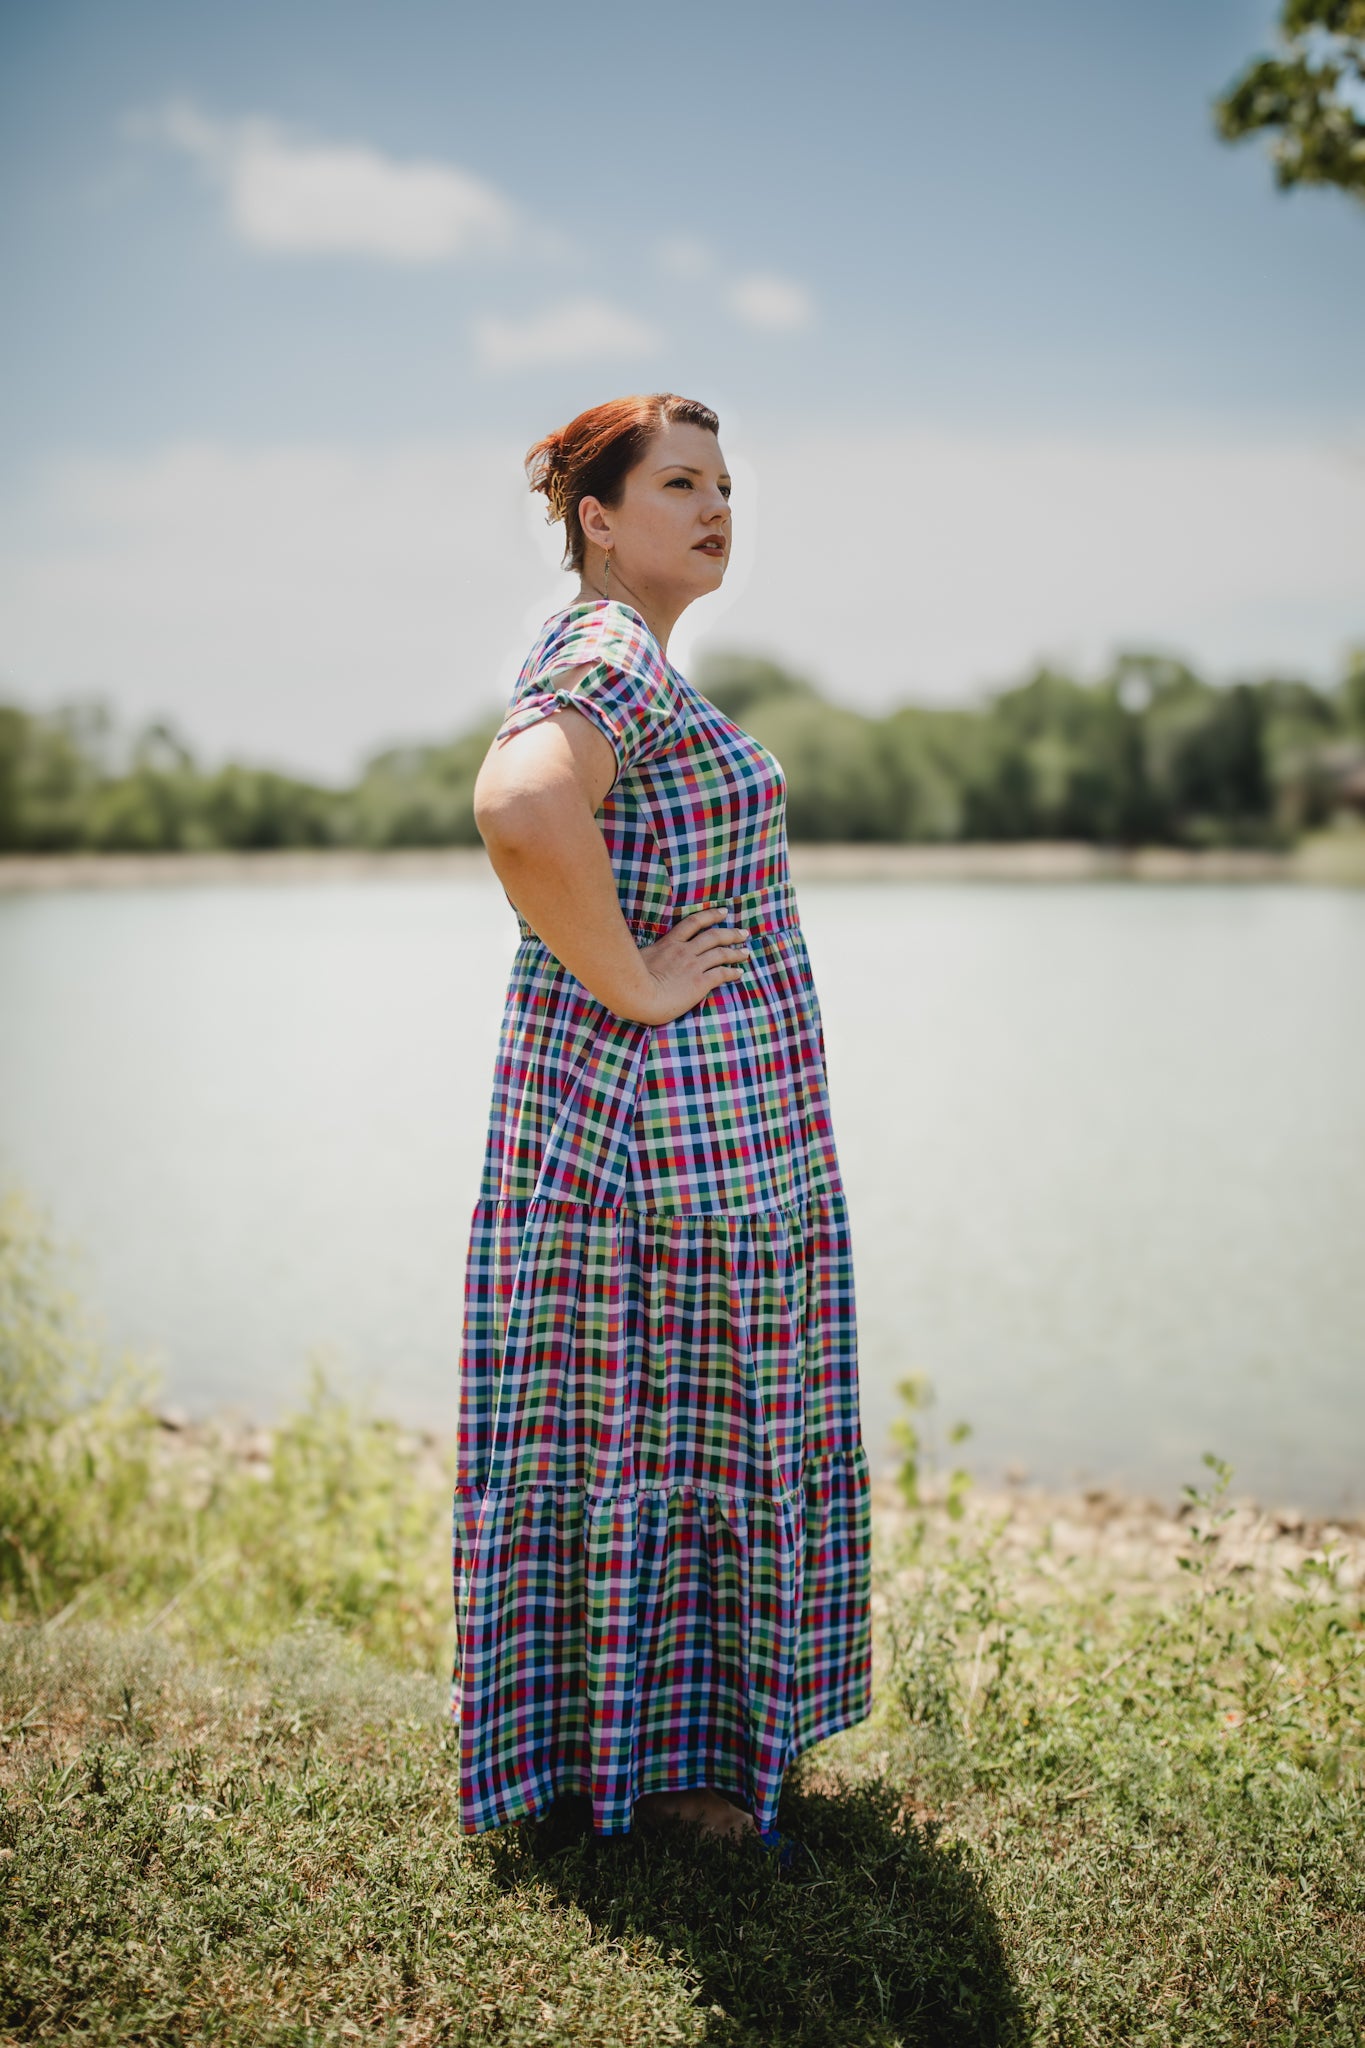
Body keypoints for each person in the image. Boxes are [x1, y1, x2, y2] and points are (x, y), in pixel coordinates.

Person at [451, 391, 872, 1849]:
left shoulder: (617, 656)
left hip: (676, 1145)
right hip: (668, 1151)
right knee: (681, 1442)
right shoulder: (604, 647)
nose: (715, 507)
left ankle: (627, 1762)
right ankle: (677, 1779)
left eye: (725, 483)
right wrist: (635, 986)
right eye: (678, 482)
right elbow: (520, 808)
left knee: (635, 1438)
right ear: (598, 520)